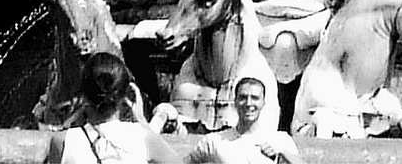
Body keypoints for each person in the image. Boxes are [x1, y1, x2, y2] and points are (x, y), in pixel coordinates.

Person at [46, 51, 180, 164]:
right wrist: (142, 120)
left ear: (84, 95)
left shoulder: (62, 141)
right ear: (125, 96)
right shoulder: (143, 137)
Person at [189, 77, 302, 164]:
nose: (248, 103)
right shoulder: (214, 141)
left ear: (263, 103)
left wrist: (283, 152)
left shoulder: (280, 139)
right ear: (235, 101)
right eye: (243, 97)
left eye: (255, 98)